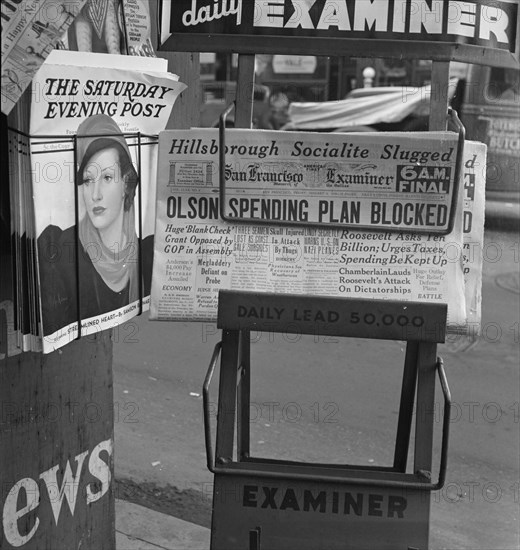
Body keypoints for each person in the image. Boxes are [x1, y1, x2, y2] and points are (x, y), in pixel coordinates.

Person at [37, 114, 153, 337]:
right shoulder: (59, 252)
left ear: (126, 184)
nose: (95, 194)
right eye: (88, 180)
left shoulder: (147, 257)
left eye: (107, 177)